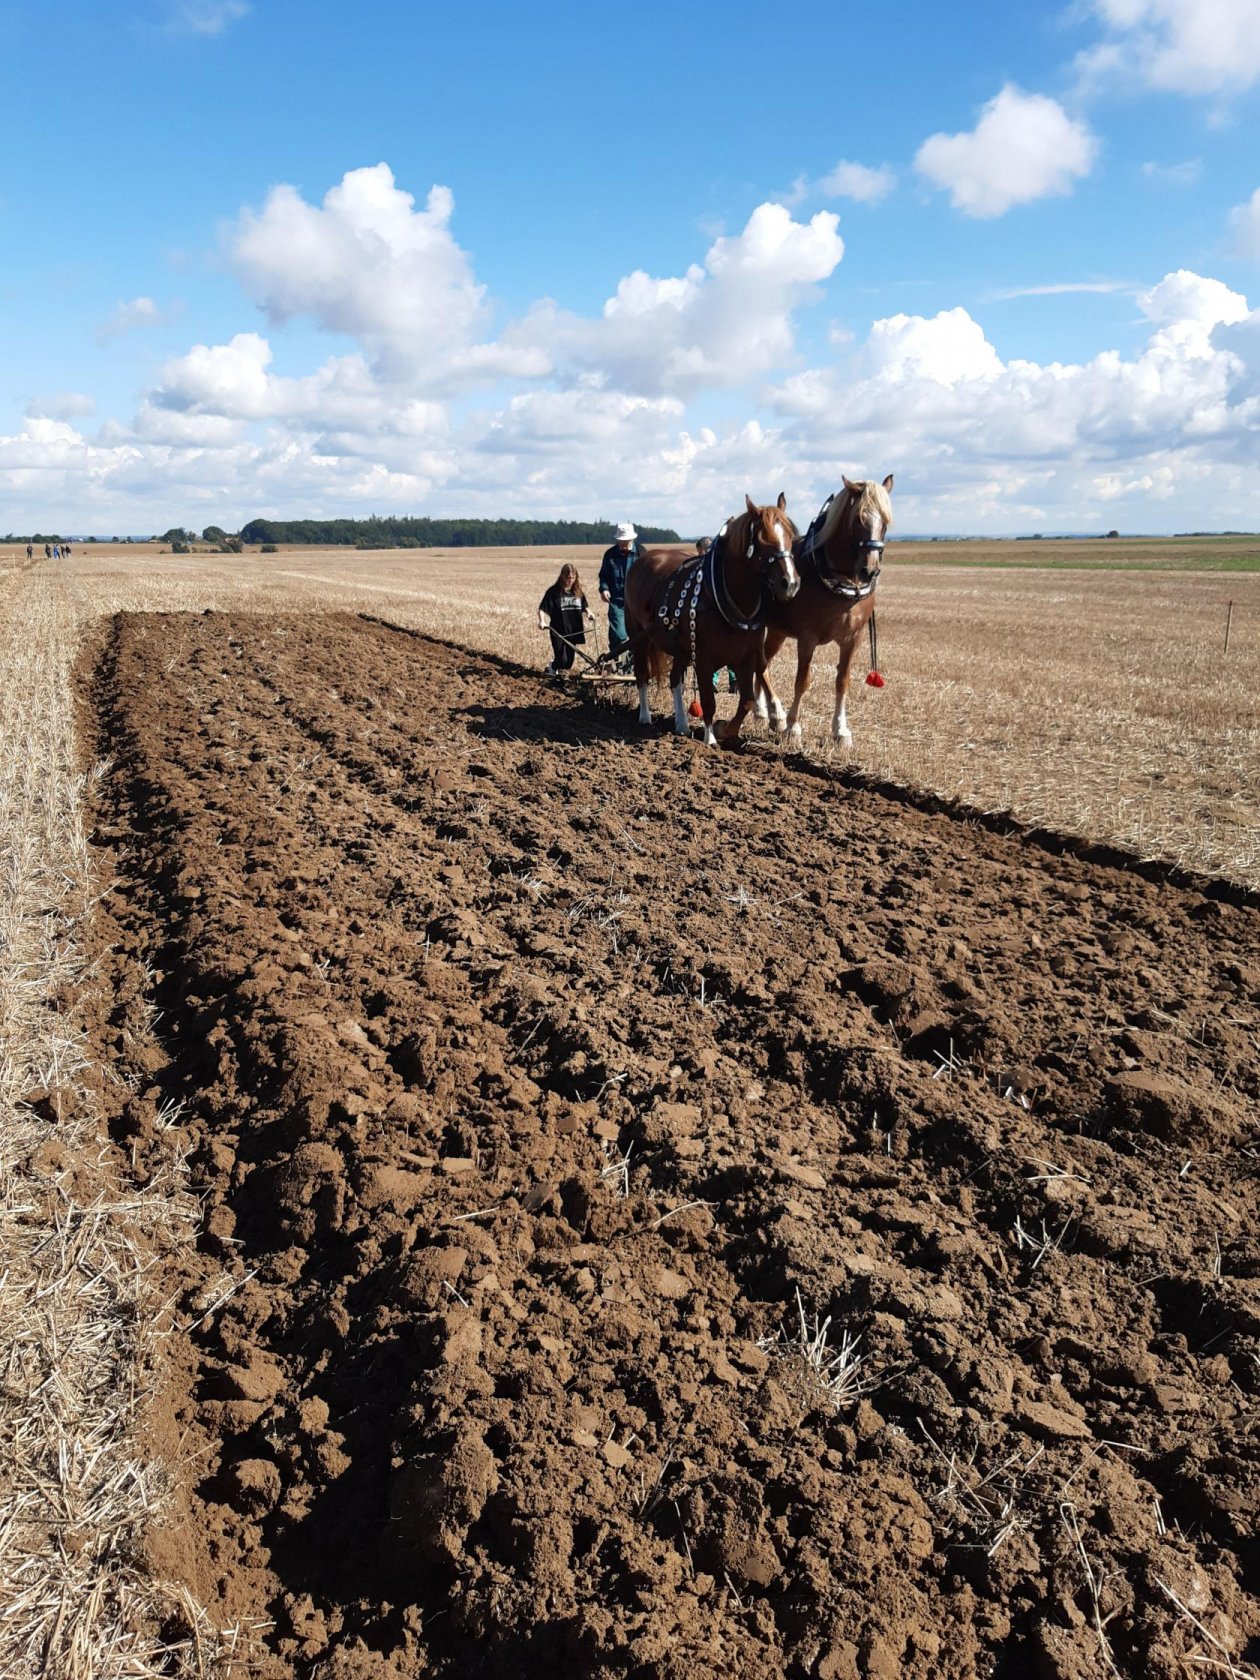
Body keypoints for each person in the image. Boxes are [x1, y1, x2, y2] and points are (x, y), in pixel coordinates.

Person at [538, 563, 592, 675]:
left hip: (573, 631)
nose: (570, 580)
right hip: (558, 632)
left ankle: (558, 673)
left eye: (573, 578)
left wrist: (589, 612)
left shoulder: (578, 592)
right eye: (568, 578)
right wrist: (542, 621)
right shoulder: (553, 592)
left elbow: (584, 605)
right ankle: (552, 667)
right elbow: (542, 609)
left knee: (568, 664)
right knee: (561, 660)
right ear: (562, 576)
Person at [598, 522, 641, 663]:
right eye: (620, 541)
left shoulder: (642, 553)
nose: (622, 544)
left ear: (632, 539)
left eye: (625, 541)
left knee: (638, 636)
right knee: (621, 634)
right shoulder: (610, 555)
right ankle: (620, 660)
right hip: (617, 602)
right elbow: (604, 576)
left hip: (638, 603)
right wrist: (604, 589)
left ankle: (627, 667)